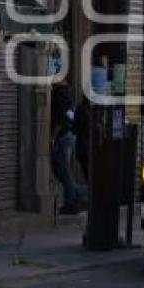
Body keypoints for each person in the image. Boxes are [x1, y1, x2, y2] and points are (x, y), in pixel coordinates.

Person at [51, 78, 85, 214]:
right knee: (63, 169)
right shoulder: (68, 91)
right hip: (69, 134)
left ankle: (73, 200)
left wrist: (53, 137)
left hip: (63, 135)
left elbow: (60, 118)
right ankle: (77, 195)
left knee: (63, 170)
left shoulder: (59, 93)